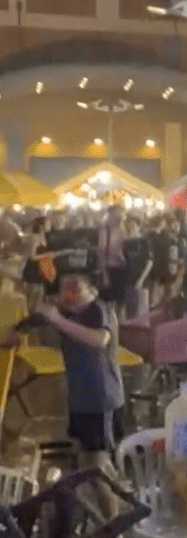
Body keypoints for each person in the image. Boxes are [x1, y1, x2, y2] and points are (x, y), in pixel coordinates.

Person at [4, 263, 124, 518]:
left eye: (76, 287)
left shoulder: (96, 310)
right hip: (81, 399)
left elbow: (100, 339)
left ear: (90, 288)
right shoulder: (65, 311)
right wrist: (15, 331)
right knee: (95, 459)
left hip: (99, 398)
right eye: (65, 287)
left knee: (94, 465)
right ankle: (123, 505)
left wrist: (57, 320)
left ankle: (114, 528)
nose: (70, 294)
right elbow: (23, 326)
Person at [98, 204, 128, 312]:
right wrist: (104, 273)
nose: (119, 216)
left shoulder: (124, 228)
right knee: (111, 300)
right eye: (116, 213)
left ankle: (119, 323)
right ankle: (112, 323)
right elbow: (102, 250)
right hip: (110, 266)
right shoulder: (105, 229)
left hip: (122, 266)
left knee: (121, 299)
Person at [122, 215, 153, 319]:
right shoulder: (125, 242)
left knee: (142, 308)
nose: (131, 228)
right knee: (130, 308)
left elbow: (149, 262)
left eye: (133, 225)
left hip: (141, 277)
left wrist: (141, 279)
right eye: (129, 226)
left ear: (139, 226)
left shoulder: (144, 241)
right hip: (128, 277)